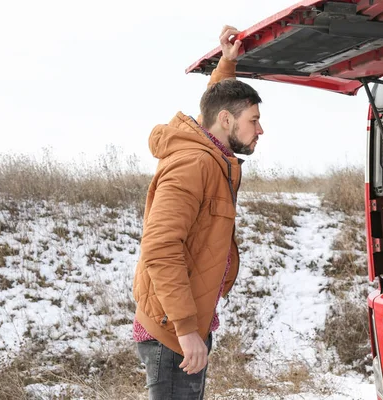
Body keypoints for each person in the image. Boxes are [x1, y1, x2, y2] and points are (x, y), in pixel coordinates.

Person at [131, 25, 260, 399]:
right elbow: (160, 247)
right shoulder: (193, 164)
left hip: (183, 325)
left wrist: (226, 65)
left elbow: (216, 105)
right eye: (253, 120)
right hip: (173, 333)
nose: (260, 129)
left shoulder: (208, 149)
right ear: (226, 121)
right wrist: (186, 330)